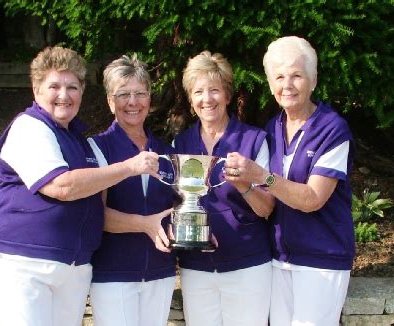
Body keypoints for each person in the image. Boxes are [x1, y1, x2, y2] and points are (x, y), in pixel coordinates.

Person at [0, 46, 161, 326]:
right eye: (54, 86)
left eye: (72, 87)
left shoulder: (75, 137)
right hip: (25, 263)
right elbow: (61, 187)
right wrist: (130, 167)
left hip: (71, 267)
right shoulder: (29, 127)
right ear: (36, 89)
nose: (64, 95)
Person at [230, 36, 355, 325]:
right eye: (279, 77)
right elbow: (269, 200)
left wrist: (261, 176)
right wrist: (243, 182)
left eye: (297, 75)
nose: (287, 84)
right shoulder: (273, 127)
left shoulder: (332, 129)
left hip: (322, 259)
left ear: (313, 80)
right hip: (280, 258)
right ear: (271, 85)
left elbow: (313, 199)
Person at [173, 50, 275, 326]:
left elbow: (267, 208)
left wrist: (244, 185)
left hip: (247, 265)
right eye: (198, 92)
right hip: (196, 269)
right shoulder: (180, 146)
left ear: (228, 95)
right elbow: (174, 204)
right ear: (191, 99)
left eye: (214, 90)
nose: (207, 99)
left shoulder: (254, 140)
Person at [87, 54, 177, 326]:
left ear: (150, 98)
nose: (133, 102)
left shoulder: (167, 151)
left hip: (160, 271)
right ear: (110, 101)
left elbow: (176, 207)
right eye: (123, 94)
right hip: (114, 273)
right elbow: (94, 214)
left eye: (140, 93)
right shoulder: (97, 148)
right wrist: (145, 225)